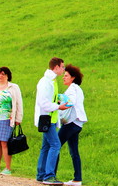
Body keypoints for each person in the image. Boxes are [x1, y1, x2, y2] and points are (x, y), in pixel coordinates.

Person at [35, 57, 70, 185]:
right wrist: (58, 106)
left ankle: (41, 174)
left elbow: (50, 99)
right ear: (56, 67)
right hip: (47, 118)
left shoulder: (52, 81)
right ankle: (49, 176)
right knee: (55, 145)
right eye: (62, 67)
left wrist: (58, 101)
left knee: (46, 146)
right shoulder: (45, 82)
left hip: (51, 118)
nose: (63, 69)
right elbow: (43, 103)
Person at [55, 65, 87, 186]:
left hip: (71, 122)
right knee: (74, 151)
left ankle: (51, 175)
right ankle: (77, 179)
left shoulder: (72, 88)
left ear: (73, 78)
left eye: (66, 76)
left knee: (55, 146)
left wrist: (58, 99)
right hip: (77, 123)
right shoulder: (77, 88)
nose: (63, 78)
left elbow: (70, 102)